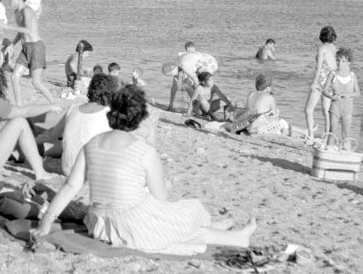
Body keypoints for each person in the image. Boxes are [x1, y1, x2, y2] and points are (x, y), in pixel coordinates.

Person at [35, 86, 257, 254]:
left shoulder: (92, 144)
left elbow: (70, 187)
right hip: (132, 227)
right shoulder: (143, 151)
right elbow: (161, 199)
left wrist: (46, 222)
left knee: (174, 220)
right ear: (139, 117)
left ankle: (230, 234)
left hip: (101, 225)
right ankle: (230, 235)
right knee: (191, 209)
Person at [59, 73, 119, 176]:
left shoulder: (72, 109)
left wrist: (36, 141)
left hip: (68, 169)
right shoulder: (110, 114)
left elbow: (51, 134)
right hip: (93, 174)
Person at [7, 0, 53, 104]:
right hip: (25, 48)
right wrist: (12, 43)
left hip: (36, 47)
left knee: (36, 82)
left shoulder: (27, 10)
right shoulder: (17, 12)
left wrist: (7, 26)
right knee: (14, 77)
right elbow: (21, 32)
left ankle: (54, 103)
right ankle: (19, 105)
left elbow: (27, 29)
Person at [303, 26, 338, 139]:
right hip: (331, 80)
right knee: (326, 111)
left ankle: (311, 136)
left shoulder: (322, 48)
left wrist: (314, 83)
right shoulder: (335, 49)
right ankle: (327, 136)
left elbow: (319, 67)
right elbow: (335, 67)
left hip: (321, 80)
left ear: (322, 36)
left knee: (308, 110)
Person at [321, 48, 360, 141]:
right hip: (335, 107)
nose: (340, 63)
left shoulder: (352, 75)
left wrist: (348, 95)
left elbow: (357, 93)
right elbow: (324, 90)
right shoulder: (333, 73)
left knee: (346, 133)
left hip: (348, 109)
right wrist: (331, 96)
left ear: (348, 62)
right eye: (338, 60)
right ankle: (329, 150)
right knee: (332, 132)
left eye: (343, 61)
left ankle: (347, 152)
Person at [167, 42, 218, 110]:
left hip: (208, 65)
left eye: (189, 50)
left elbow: (194, 78)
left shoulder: (184, 62)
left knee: (191, 83)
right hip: (210, 63)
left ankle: (199, 107)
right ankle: (199, 105)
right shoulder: (181, 60)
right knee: (189, 83)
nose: (189, 51)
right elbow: (174, 85)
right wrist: (171, 103)